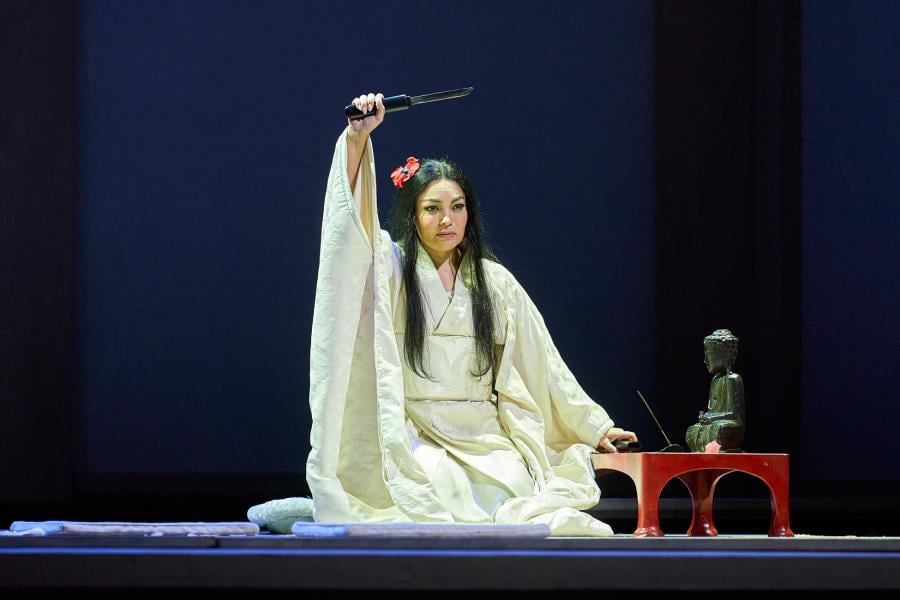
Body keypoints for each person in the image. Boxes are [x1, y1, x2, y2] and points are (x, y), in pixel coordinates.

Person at [287, 92, 636, 537]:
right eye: (431, 209)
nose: (446, 220)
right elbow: (350, 232)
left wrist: (593, 425)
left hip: (483, 434)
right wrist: (358, 139)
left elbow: (543, 364)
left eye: (457, 207)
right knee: (434, 487)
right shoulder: (391, 270)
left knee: (513, 486)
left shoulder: (494, 282)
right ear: (413, 217)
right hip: (419, 433)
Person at [685, 329, 745, 452]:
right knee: (693, 430)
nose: (705, 359)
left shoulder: (734, 379)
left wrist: (711, 419)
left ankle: (715, 445)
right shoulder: (715, 380)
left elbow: (735, 415)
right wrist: (706, 417)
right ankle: (708, 447)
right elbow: (712, 409)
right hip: (714, 424)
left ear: (725, 355)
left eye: (710, 353)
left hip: (729, 426)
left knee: (721, 429)